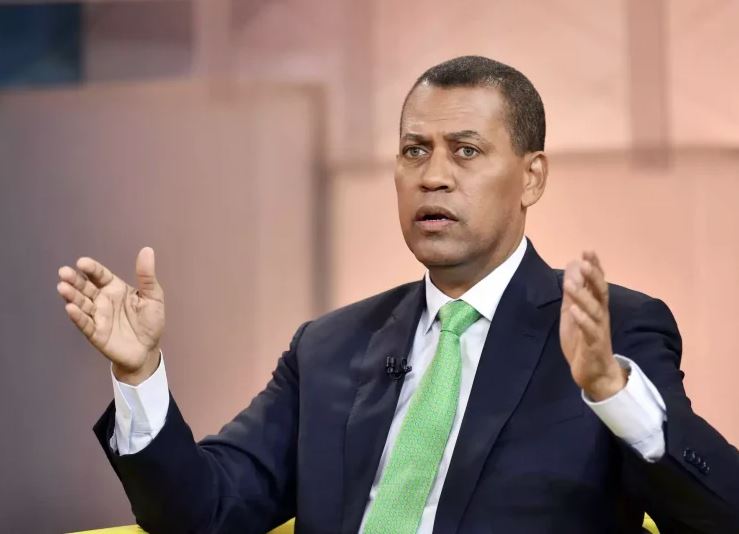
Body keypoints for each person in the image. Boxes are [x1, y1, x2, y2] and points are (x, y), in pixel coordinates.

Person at [57, 56, 739, 533]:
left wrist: (612, 392)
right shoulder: (328, 347)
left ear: (531, 177)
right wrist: (139, 374)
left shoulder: (611, 332)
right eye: (414, 150)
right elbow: (203, 513)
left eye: (465, 151)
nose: (432, 176)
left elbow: (718, 514)